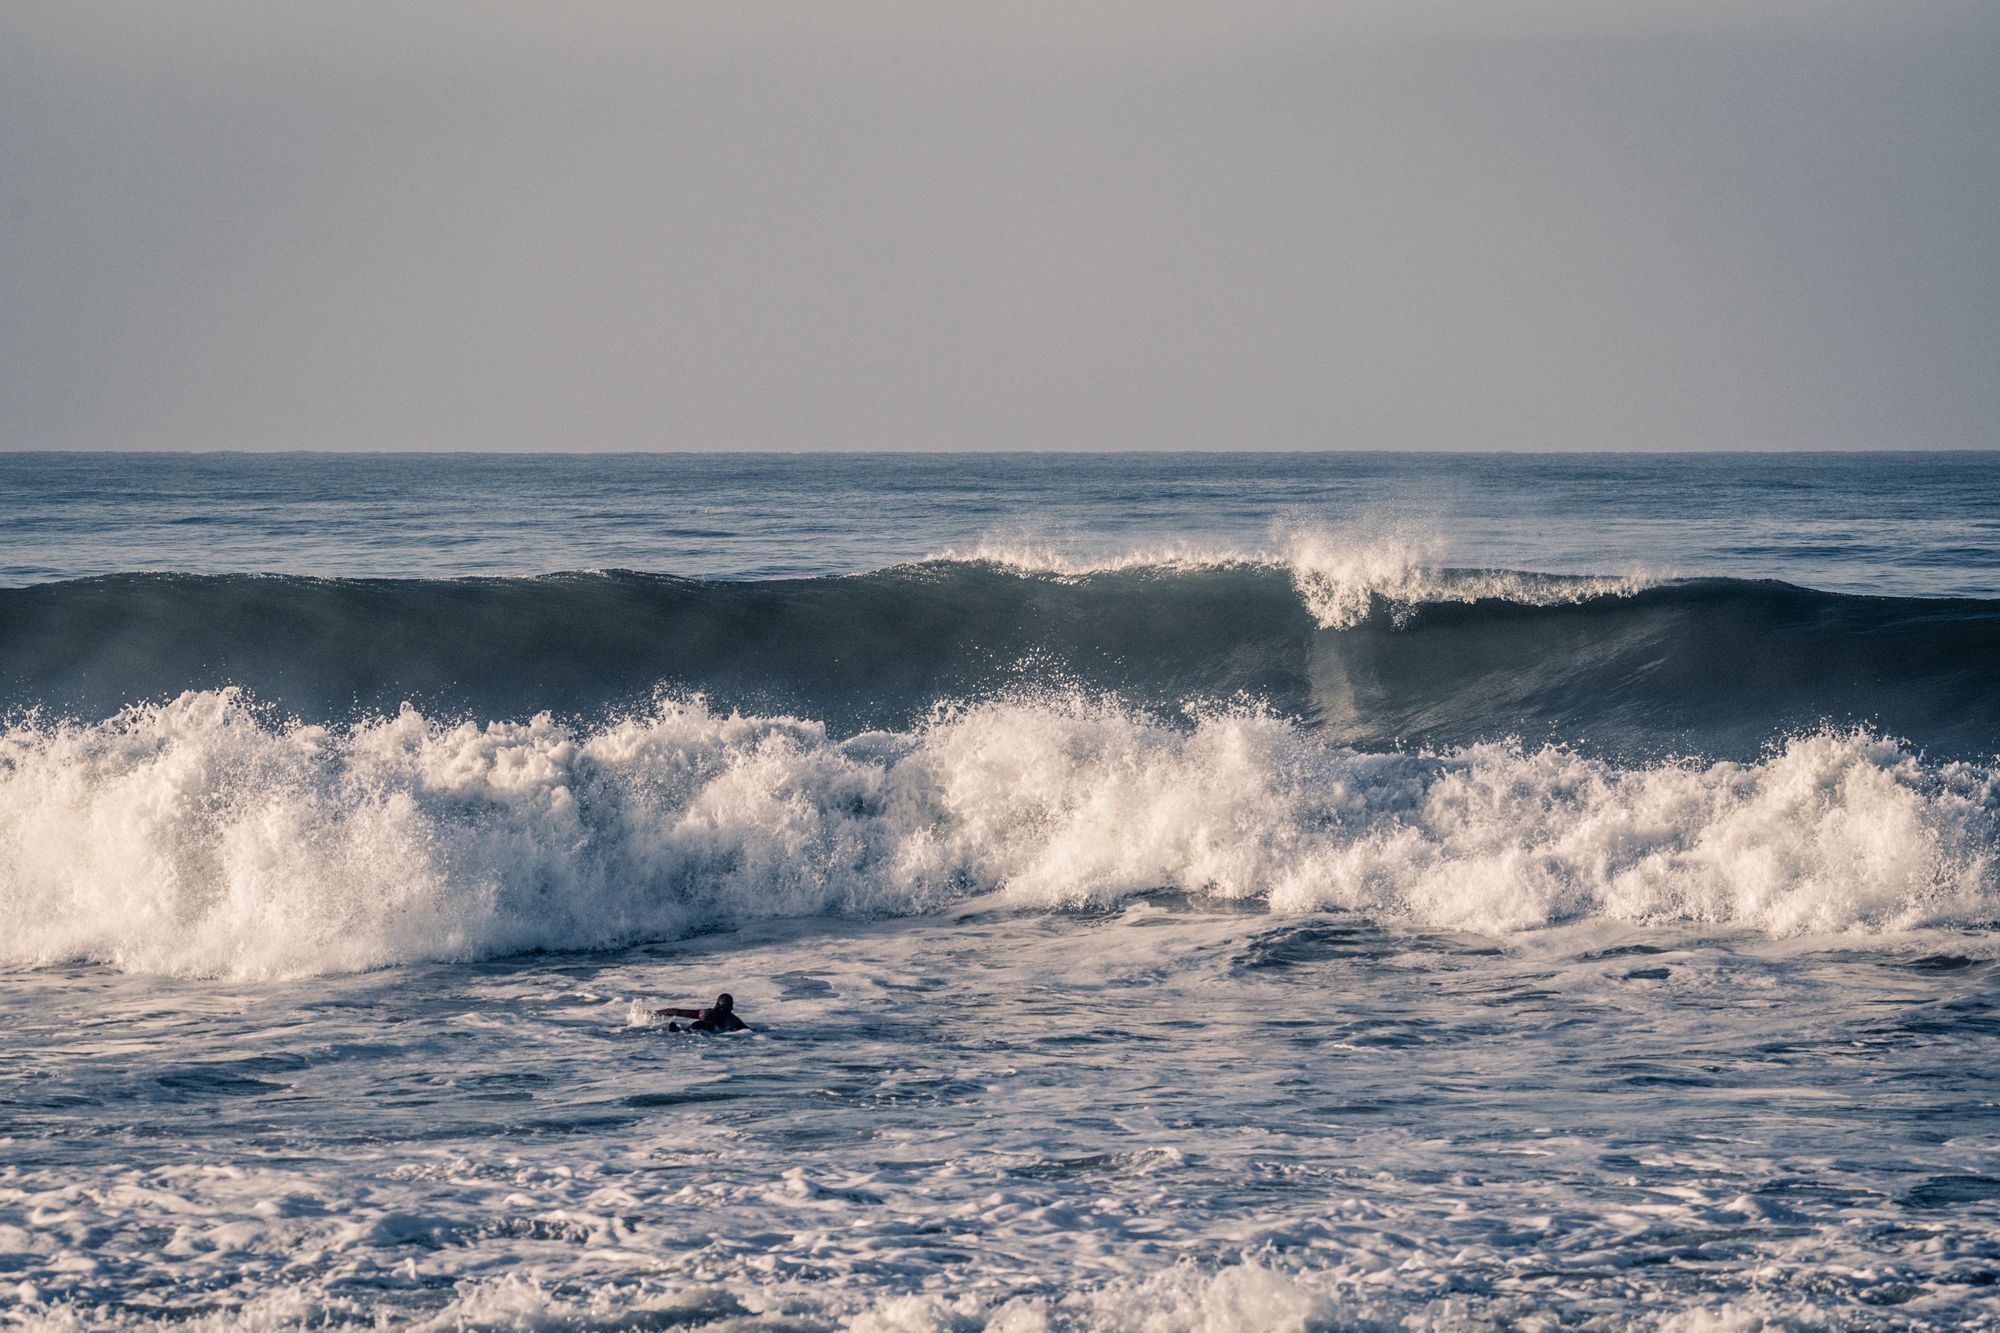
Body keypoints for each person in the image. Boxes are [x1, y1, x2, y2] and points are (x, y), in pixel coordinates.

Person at [652, 992, 748, 1033]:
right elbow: (749, 1031)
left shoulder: (705, 1012)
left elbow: (677, 1011)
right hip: (714, 1031)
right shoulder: (734, 1020)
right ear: (731, 1007)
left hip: (699, 1025)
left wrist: (654, 1013)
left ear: (717, 1004)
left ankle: (678, 1030)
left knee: (692, 1028)